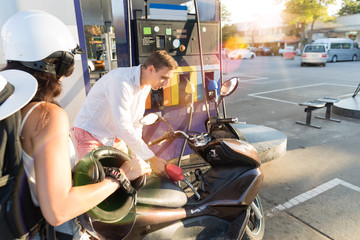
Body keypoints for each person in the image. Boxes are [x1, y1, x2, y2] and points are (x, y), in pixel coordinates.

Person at [1, 10, 151, 239]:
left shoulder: (8, 104)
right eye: (66, 65)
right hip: (46, 231)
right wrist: (120, 177)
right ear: (55, 64)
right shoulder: (47, 115)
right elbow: (58, 210)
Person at [72, 50, 178, 178]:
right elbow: (124, 126)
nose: (166, 84)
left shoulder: (146, 85)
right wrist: (152, 159)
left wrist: (138, 156)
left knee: (128, 178)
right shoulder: (121, 82)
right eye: (164, 77)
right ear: (151, 69)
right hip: (91, 133)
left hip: (114, 136)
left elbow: (136, 123)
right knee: (92, 180)